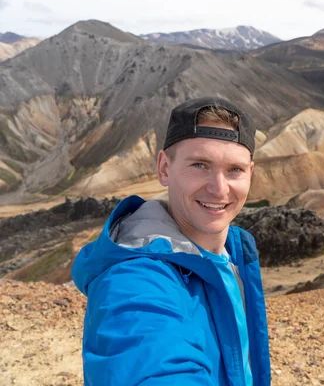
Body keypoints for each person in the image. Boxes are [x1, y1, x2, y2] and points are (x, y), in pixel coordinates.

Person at [71, 97, 271, 385]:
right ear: (164, 168)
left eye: (234, 170)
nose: (219, 188)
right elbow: (149, 358)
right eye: (200, 165)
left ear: (250, 174)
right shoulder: (134, 280)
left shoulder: (233, 256)